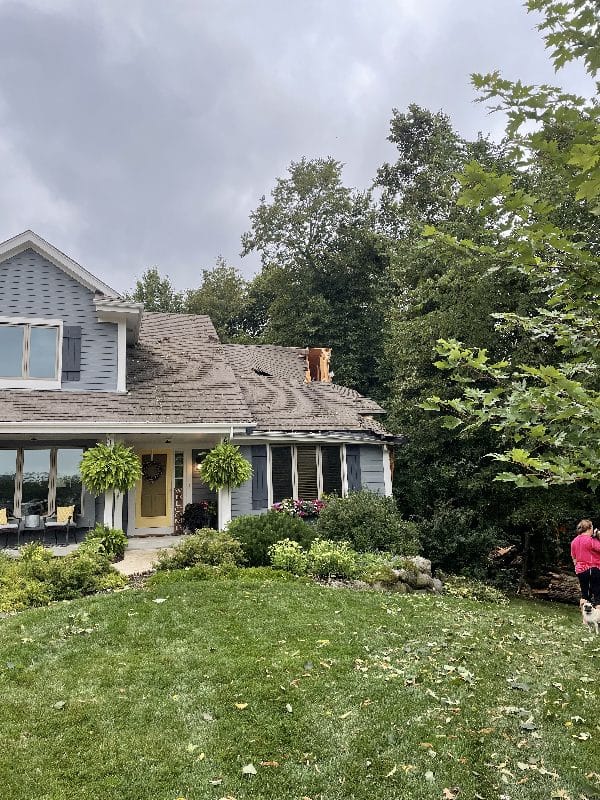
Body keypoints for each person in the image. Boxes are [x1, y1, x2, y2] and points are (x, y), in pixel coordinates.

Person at [571, 519, 600, 606]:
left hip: (581, 570)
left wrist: (578, 568)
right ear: (590, 528)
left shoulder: (574, 541)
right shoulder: (591, 540)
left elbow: (574, 558)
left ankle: (585, 618)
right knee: (598, 596)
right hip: (594, 569)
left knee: (585, 596)